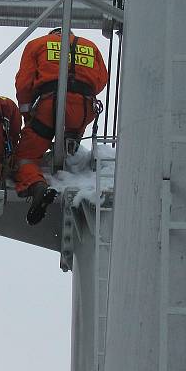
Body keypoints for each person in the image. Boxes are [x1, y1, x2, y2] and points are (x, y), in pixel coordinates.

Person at [14, 28, 108, 224]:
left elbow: (24, 84)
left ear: (52, 35)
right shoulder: (91, 47)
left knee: (25, 157)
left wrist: (28, 117)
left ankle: (37, 186)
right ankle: (70, 148)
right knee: (70, 139)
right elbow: (101, 81)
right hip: (84, 107)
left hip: (51, 104)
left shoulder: (37, 44)